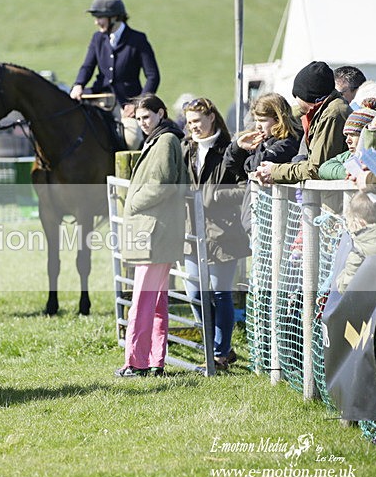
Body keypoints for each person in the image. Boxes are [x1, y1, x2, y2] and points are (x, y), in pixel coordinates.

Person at [115, 94, 186, 378]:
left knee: (142, 302)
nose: (143, 123)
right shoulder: (160, 139)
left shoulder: (166, 140)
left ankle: (136, 362)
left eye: (147, 117)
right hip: (158, 233)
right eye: (139, 118)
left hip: (156, 233)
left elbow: (163, 185)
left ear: (160, 113)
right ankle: (155, 361)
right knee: (155, 302)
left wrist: (131, 201)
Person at [180, 98, 250, 371]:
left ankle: (219, 354)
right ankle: (218, 346)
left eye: (197, 121)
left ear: (211, 117)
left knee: (220, 293)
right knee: (195, 291)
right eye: (189, 122)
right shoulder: (187, 149)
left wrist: (215, 195)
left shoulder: (231, 149)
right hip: (192, 231)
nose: (193, 127)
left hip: (224, 233)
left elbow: (247, 188)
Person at [70, 0, 160, 151]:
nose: (96, 22)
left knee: (133, 138)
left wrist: (138, 105)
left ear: (114, 17)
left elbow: (153, 77)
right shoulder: (97, 38)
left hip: (126, 103)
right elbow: (87, 66)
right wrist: (78, 84)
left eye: (99, 18)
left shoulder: (138, 39)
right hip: (97, 97)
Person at [255, 61, 352, 184]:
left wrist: (274, 171)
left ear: (307, 95)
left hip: (334, 200)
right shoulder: (327, 111)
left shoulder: (332, 115)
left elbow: (316, 168)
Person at [224, 93, 301, 231]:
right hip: (255, 219)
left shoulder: (288, 143)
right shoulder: (262, 142)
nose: (258, 126)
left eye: (263, 120)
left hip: (274, 222)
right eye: (256, 120)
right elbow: (233, 166)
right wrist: (238, 147)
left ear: (278, 119)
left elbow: (256, 165)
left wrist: (248, 161)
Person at [318, 100, 376, 180]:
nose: (348, 140)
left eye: (353, 135)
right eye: (347, 135)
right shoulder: (349, 155)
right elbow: (324, 168)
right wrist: (347, 171)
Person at [335, 191, 376, 294]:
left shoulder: (358, 252)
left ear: (360, 222)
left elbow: (345, 287)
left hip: (372, 304)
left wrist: (340, 279)